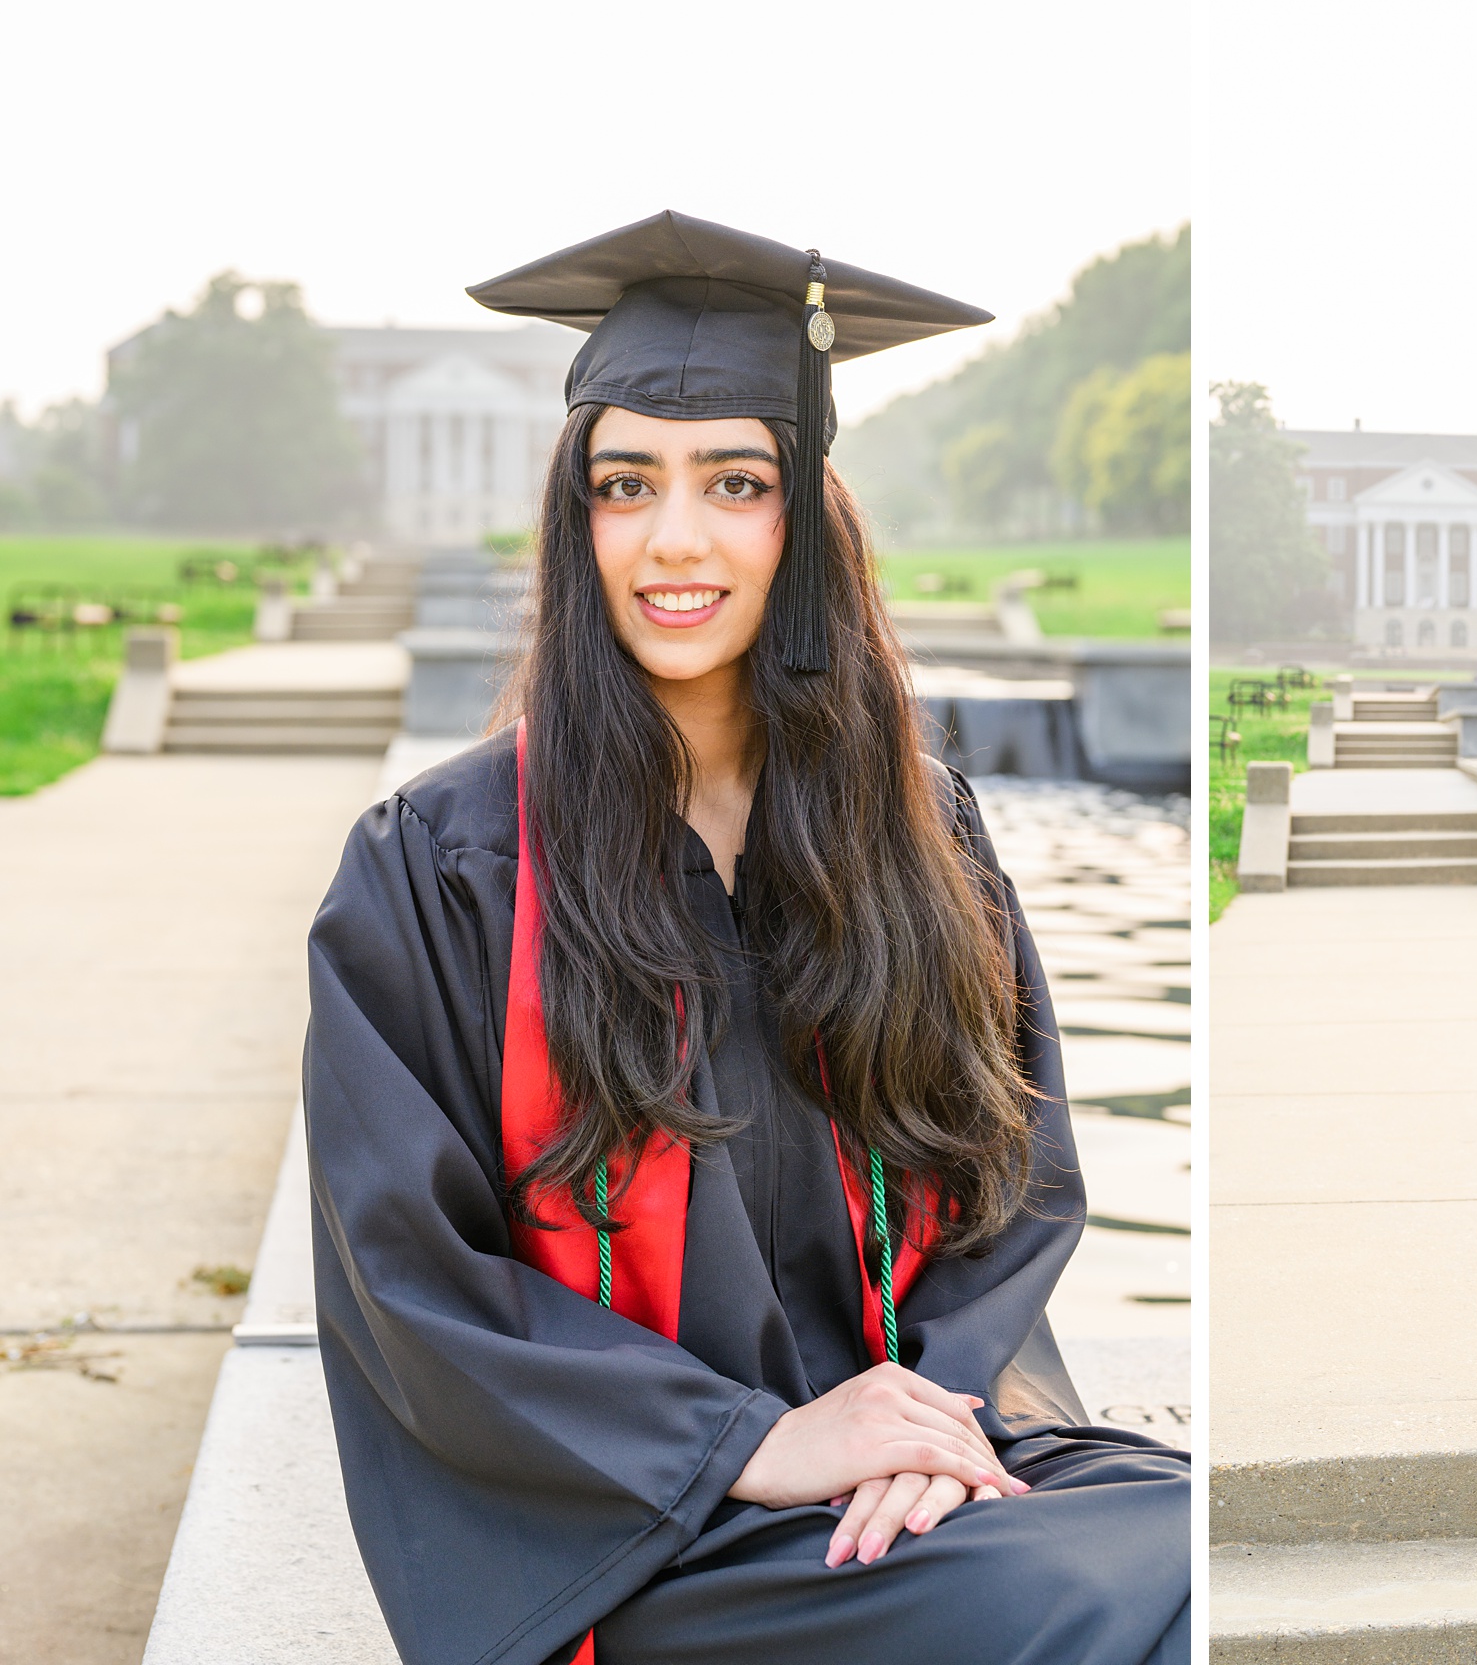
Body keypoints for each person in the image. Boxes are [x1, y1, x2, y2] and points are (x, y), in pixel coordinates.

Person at [305, 213, 1190, 1664]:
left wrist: (923, 1419)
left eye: (735, 482)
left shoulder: (916, 833)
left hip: (906, 1490)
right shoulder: (444, 867)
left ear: (805, 518)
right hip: (639, 1533)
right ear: (575, 518)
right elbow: (406, 1273)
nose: (675, 538)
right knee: (1106, 1606)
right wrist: (746, 1442)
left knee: (1174, 1543)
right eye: (625, 484)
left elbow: (1010, 1176)